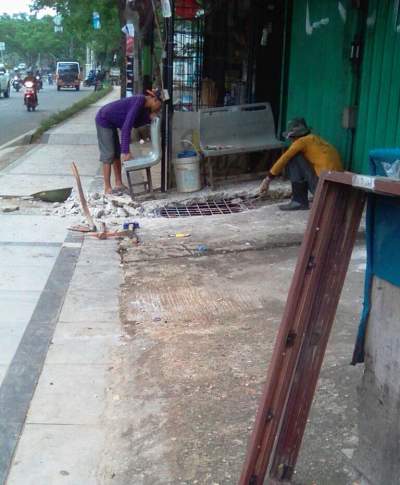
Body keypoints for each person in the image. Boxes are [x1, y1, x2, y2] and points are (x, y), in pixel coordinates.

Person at [259, 118, 343, 210]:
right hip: (336, 187)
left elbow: (284, 159)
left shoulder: (301, 142)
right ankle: (304, 199)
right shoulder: (316, 139)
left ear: (294, 136)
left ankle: (298, 201)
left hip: (323, 188)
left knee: (293, 158)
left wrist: (268, 179)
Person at [95, 90, 162, 194]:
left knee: (116, 154)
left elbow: (136, 123)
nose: (159, 109)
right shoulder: (139, 101)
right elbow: (127, 127)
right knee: (108, 154)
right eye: (159, 106)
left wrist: (148, 118)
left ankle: (119, 184)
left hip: (113, 122)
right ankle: (107, 188)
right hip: (104, 119)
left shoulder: (144, 107)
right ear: (154, 100)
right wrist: (125, 151)